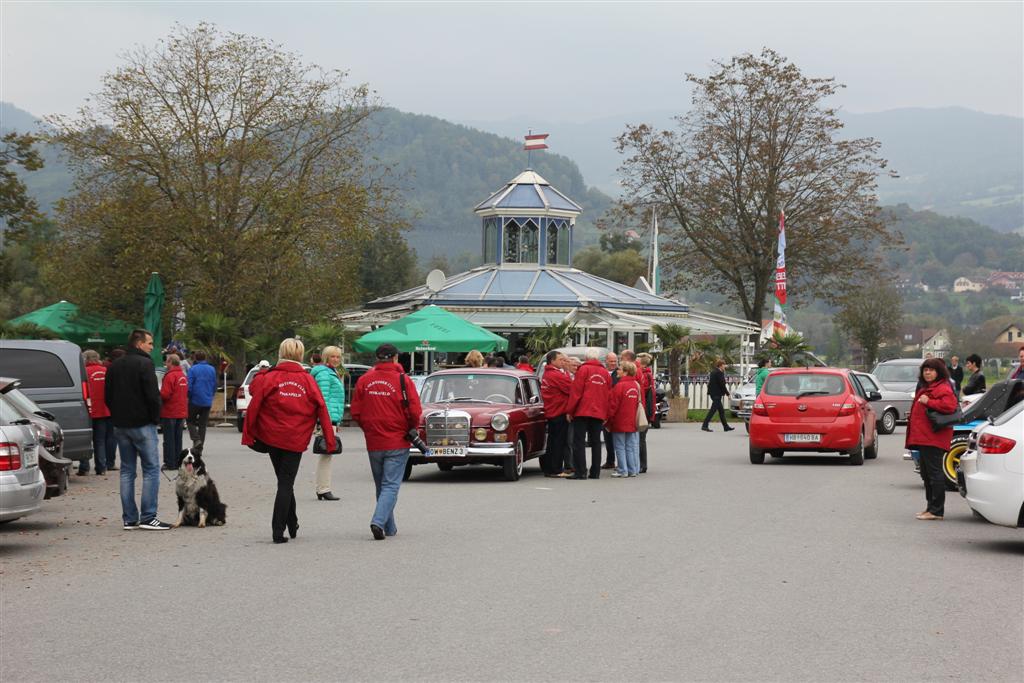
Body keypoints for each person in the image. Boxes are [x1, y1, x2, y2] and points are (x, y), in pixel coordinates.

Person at [242, 338, 334, 544]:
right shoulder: (307, 379)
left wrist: (249, 434)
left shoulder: (270, 377)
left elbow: (254, 405)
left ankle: (292, 522)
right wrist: (329, 439)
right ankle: (278, 530)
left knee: (284, 481)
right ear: (301, 355)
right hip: (295, 438)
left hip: (272, 436)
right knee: (286, 482)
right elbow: (322, 408)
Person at [350, 343, 423, 540]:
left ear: (377, 357)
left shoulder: (365, 380)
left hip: (374, 440)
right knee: (390, 485)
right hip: (398, 439)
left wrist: (369, 428)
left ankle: (389, 528)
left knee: (382, 486)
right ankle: (378, 521)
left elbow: (355, 411)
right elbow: (415, 411)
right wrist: (412, 427)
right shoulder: (403, 380)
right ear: (395, 358)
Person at [106, 329, 169, 530]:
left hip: (120, 425)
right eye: (150, 343)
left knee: (127, 471)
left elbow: (107, 395)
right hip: (142, 424)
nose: (152, 347)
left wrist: (116, 415)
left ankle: (129, 518)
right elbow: (152, 395)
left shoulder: (115, 365)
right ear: (139, 343)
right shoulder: (145, 363)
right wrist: (155, 418)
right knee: (151, 469)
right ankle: (149, 516)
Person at [905, 358, 959, 520]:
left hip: (933, 437)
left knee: (934, 473)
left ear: (939, 372)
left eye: (932, 370)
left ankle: (937, 511)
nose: (927, 372)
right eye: (925, 369)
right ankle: (930, 508)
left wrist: (929, 402)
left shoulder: (942, 387)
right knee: (926, 474)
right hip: (924, 437)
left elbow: (950, 406)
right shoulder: (928, 387)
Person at [566, 347, 612, 480]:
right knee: (596, 442)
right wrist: (606, 414)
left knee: (579, 442)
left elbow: (576, 392)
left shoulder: (583, 370)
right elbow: (609, 395)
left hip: (582, 411)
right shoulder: (604, 372)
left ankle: (580, 472)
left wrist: (570, 411)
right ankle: (595, 472)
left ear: (586, 358)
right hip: (599, 412)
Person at [310, 345, 345, 502]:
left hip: (330, 418)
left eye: (338, 356)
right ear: (326, 357)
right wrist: (324, 420)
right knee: (326, 453)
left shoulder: (329, 372)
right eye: (333, 356)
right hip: (326, 418)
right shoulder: (324, 373)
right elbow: (322, 398)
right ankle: (323, 488)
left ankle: (323, 488)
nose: (336, 359)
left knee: (327, 454)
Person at [81, 350, 116, 475]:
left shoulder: (84, 372)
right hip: (105, 410)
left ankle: (84, 467)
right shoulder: (106, 371)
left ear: (85, 359)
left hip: (89, 411)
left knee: (85, 440)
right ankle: (101, 467)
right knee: (100, 440)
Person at [540, 350, 572, 478]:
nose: (562, 362)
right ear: (552, 361)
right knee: (558, 442)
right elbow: (571, 387)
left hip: (552, 411)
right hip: (558, 411)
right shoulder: (556, 375)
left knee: (553, 442)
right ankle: (556, 469)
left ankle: (550, 468)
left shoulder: (548, 373)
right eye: (560, 360)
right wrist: (568, 372)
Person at [607, 360, 641, 478]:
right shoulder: (635, 385)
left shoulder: (619, 386)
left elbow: (613, 405)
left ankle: (622, 470)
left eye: (620, 369)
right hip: (632, 420)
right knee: (630, 446)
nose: (618, 370)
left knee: (620, 446)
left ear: (626, 372)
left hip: (619, 420)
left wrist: (608, 419)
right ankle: (632, 469)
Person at [159, 354, 189, 471]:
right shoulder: (182, 375)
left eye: (166, 361)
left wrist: (158, 394)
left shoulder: (170, 376)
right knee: (178, 438)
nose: (165, 364)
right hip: (181, 411)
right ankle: (178, 462)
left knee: (169, 439)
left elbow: (165, 394)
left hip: (170, 411)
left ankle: (170, 463)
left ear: (171, 362)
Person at [186, 351, 217, 453]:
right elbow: (214, 384)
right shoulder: (212, 369)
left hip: (195, 399)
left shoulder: (193, 369)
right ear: (205, 358)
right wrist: (211, 395)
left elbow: (189, 386)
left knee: (190, 421)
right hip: (207, 400)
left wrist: (189, 396)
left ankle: (196, 439)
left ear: (195, 358)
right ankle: (199, 448)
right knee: (202, 425)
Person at [636, 353, 656, 473]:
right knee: (640, 439)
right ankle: (641, 464)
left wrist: (649, 414)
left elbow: (647, 396)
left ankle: (642, 464)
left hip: (644, 411)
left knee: (640, 439)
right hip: (646, 411)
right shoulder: (647, 374)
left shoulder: (645, 375)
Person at [702, 359, 735, 432]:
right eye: (724, 365)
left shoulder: (714, 372)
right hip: (716, 394)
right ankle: (704, 425)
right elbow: (722, 385)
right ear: (721, 365)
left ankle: (726, 427)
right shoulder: (719, 373)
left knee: (721, 411)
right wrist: (728, 394)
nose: (725, 366)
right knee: (712, 410)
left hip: (713, 393)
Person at [601, 352, 620, 470]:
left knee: (618, 437)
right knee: (607, 436)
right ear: (606, 361)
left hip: (616, 409)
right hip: (604, 409)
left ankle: (620, 461)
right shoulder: (602, 372)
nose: (613, 363)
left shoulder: (619, 373)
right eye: (611, 361)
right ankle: (610, 460)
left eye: (615, 361)